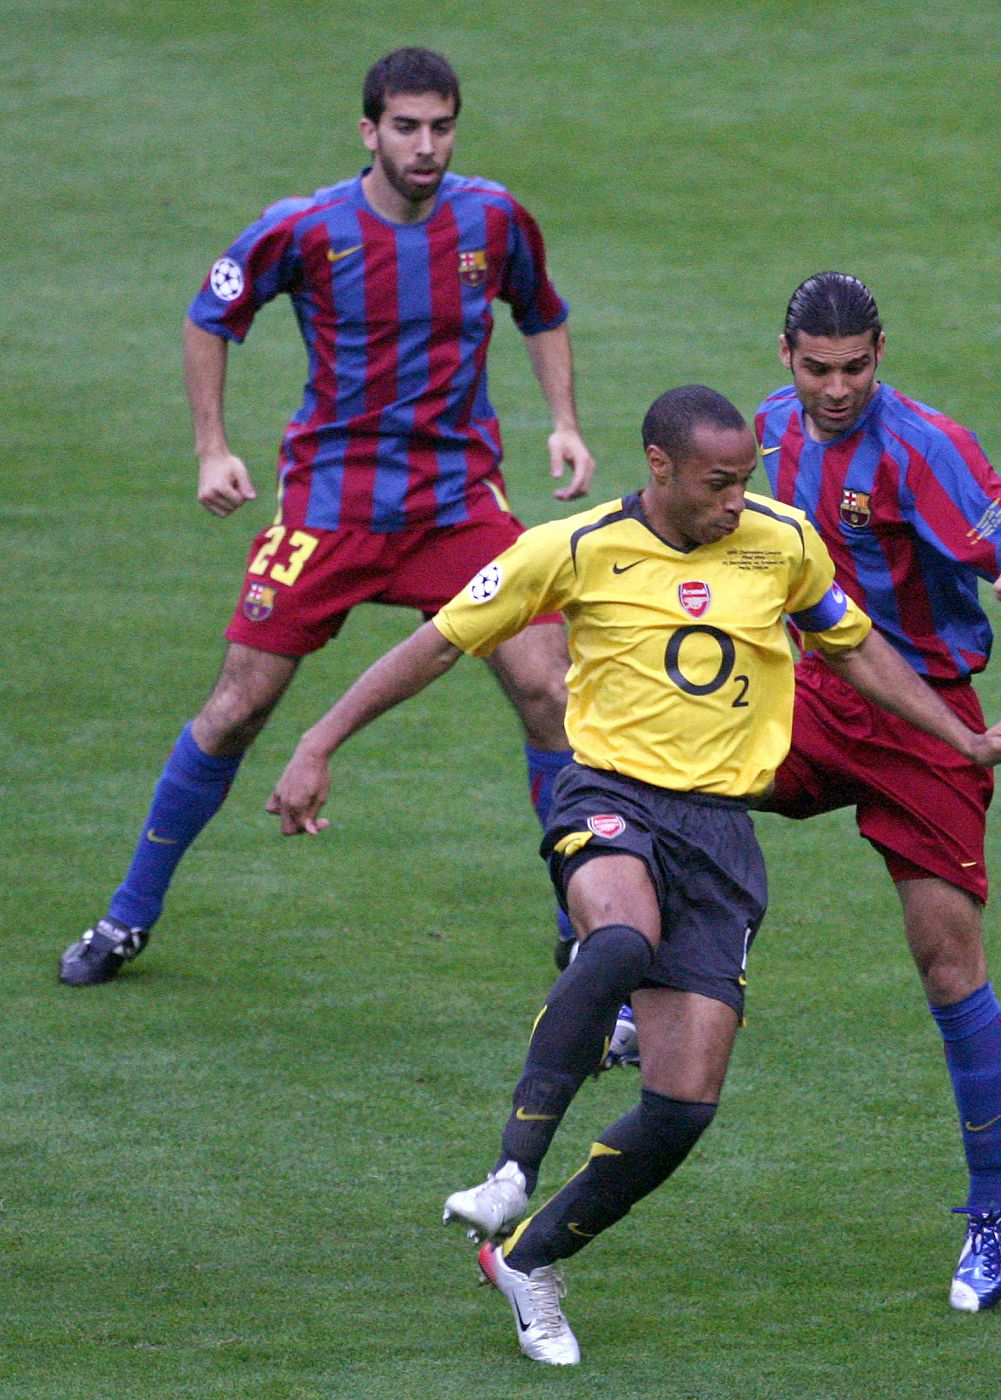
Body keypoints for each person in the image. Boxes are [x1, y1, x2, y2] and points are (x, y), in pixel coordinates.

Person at [267, 385, 1001, 1364]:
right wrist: (319, 739)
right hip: (611, 796)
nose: (734, 501)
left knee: (681, 1107)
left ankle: (528, 1256)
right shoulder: (575, 547)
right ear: (661, 467)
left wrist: (962, 739)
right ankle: (512, 1164)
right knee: (621, 934)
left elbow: (859, 652)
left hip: (719, 837)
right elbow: (435, 643)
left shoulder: (782, 541)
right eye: (718, 483)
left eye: (746, 481)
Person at [59, 47, 594, 986]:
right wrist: (211, 448)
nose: (425, 146)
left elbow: (539, 312)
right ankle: (127, 918)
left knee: (549, 692)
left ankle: (581, 932)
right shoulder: (302, 229)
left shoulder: (494, 217)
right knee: (236, 709)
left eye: (441, 127)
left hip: (457, 508)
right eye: (406, 127)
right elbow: (208, 318)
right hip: (330, 508)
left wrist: (563, 424)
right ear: (368, 131)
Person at [755, 272, 1001, 1312]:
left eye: (855, 367)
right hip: (807, 690)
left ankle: (990, 1210)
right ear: (786, 354)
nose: (835, 389)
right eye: (816, 368)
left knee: (945, 959)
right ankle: (640, 966)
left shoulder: (924, 445)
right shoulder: (759, 436)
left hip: (928, 716)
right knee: (669, 763)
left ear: (880, 351)